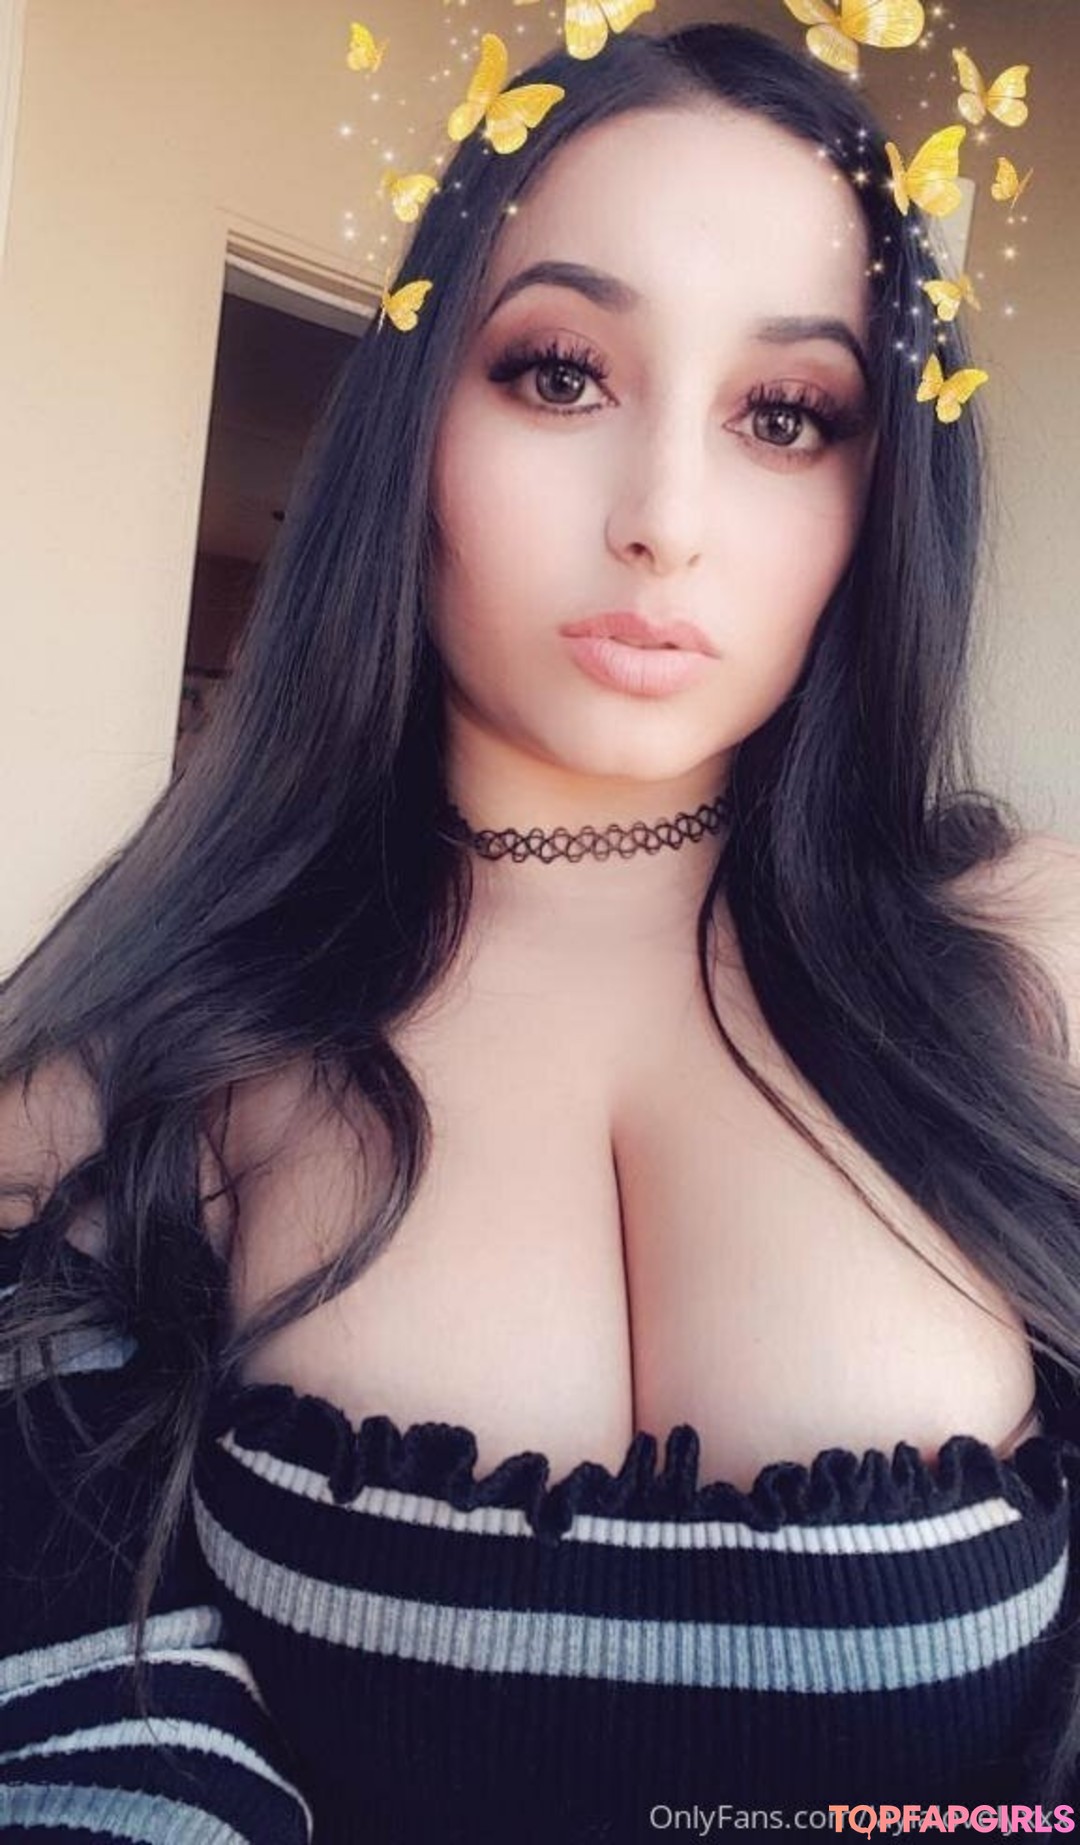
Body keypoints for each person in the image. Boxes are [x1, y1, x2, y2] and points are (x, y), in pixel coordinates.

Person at [2, 18, 1080, 1841]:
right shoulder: (151, 1039)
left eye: (786, 414)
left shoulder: (1021, 964)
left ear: (882, 488)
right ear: (417, 421)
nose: (664, 521)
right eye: (562, 373)